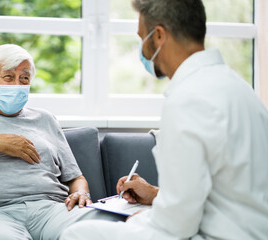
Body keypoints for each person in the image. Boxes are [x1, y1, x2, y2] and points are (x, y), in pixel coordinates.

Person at [60, 0, 268, 239]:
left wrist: (142, 220)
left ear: (158, 35)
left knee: (76, 234)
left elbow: (176, 225)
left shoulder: (188, 98)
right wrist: (156, 196)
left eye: (141, 38)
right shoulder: (238, 88)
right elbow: (217, 193)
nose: (143, 49)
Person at [0, 44, 124, 240]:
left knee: (106, 225)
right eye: (9, 77)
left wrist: (81, 193)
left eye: (24, 78)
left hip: (52, 211)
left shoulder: (46, 119)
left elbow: (75, 178)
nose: (17, 86)